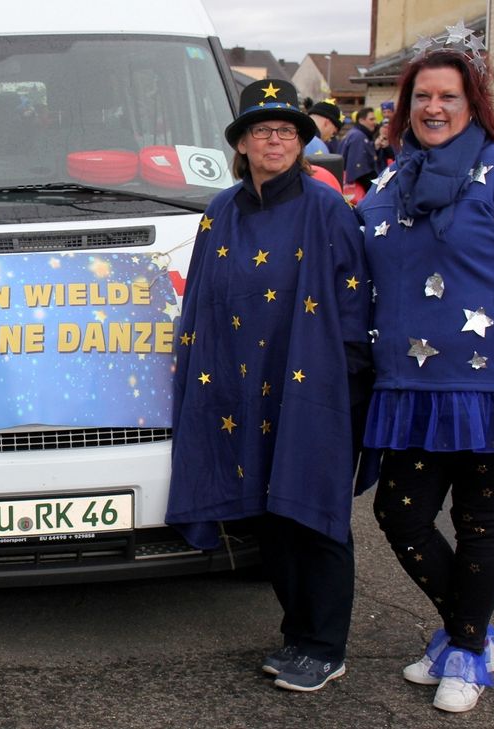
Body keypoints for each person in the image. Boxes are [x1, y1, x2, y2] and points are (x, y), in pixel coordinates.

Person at [355, 30, 494, 713]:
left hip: (492, 385)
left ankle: (465, 647)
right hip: (409, 384)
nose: (433, 107)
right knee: (400, 514)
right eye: (422, 95)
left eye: (448, 96)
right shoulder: (396, 174)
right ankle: (469, 633)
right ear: (406, 104)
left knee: (481, 519)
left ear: (471, 102)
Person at [166, 78, 371, 693]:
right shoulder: (220, 211)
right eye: (262, 130)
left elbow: (353, 299)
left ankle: (324, 645)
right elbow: (200, 300)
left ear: (301, 142)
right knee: (267, 515)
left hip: (313, 384)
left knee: (314, 512)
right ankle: (297, 634)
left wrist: (351, 378)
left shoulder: (325, 206)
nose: (273, 140)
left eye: (285, 130)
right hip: (238, 386)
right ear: (243, 143)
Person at [339, 106, 379, 190]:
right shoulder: (358, 137)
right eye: (371, 119)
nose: (375, 122)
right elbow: (359, 171)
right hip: (359, 189)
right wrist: (375, 189)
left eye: (374, 119)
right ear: (361, 120)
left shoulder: (356, 133)